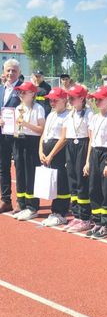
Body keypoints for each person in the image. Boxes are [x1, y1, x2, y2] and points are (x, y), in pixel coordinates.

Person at [84, 86, 107, 239]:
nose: (96, 101)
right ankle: (97, 221)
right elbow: (91, 140)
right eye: (95, 99)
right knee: (94, 189)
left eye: (100, 99)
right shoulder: (94, 117)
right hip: (94, 153)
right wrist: (87, 162)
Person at [11, 82, 45, 221]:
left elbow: (41, 129)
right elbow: (12, 127)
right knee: (20, 173)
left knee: (31, 174)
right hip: (18, 141)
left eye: (24, 92)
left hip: (32, 142)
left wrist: (26, 124)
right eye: (20, 92)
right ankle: (23, 204)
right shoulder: (18, 108)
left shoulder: (38, 108)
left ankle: (33, 207)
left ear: (32, 93)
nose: (21, 94)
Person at [63, 85, 93, 233]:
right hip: (71, 146)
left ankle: (85, 217)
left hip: (82, 145)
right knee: (72, 181)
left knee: (82, 183)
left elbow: (91, 139)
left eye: (73, 97)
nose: (69, 99)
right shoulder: (70, 113)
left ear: (82, 98)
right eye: (69, 97)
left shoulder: (89, 114)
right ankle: (76, 214)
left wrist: (87, 160)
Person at [39, 87, 71, 227]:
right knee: (52, 183)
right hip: (47, 153)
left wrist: (51, 155)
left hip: (59, 154)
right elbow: (44, 134)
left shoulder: (68, 116)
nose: (52, 103)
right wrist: (40, 151)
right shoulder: (51, 115)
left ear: (64, 100)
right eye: (50, 100)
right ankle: (55, 211)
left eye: (55, 100)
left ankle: (61, 212)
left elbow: (63, 138)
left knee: (61, 182)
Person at [0, 59, 23, 213]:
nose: (10, 73)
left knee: (20, 167)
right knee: (3, 167)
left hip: (18, 135)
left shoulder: (23, 90)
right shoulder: (1, 89)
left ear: (19, 73)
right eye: (8, 70)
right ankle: (5, 199)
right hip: (3, 134)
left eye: (13, 71)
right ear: (4, 72)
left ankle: (22, 201)